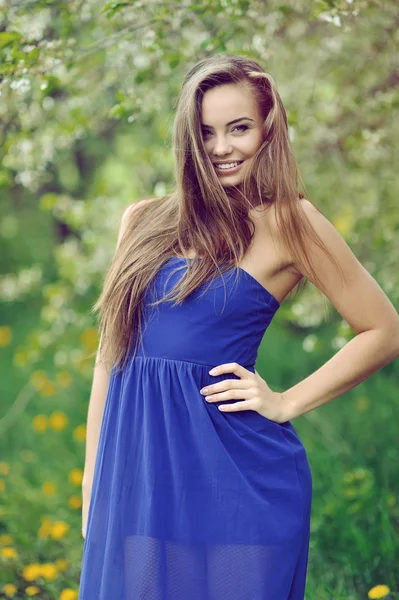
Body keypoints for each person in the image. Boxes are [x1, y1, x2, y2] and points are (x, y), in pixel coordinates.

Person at [78, 54, 399, 599]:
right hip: (141, 475)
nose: (222, 148)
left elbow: (384, 330)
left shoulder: (287, 222)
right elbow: (111, 358)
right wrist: (93, 479)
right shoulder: (142, 220)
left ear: (268, 127)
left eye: (239, 128)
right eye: (206, 133)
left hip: (234, 481)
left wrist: (286, 402)